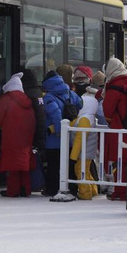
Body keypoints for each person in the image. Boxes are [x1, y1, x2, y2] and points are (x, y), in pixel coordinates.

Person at [103, 58, 127, 201]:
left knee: (118, 160)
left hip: (118, 127)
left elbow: (107, 109)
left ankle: (120, 190)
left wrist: (110, 121)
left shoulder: (114, 86)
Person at [41, 70, 83, 198]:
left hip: (54, 140)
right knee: (68, 165)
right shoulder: (70, 92)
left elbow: (55, 114)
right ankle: (72, 188)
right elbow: (80, 103)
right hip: (70, 136)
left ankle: (52, 189)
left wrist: (59, 131)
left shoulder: (49, 97)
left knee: (53, 165)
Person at [0, 73, 36, 197]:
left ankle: (13, 190)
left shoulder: (6, 99)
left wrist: (3, 126)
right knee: (24, 164)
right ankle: (25, 189)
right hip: (26, 137)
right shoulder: (27, 101)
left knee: (12, 165)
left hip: (11, 136)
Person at [69, 92, 101, 200]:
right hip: (85, 152)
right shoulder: (85, 118)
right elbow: (70, 124)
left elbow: (79, 139)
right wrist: (53, 128)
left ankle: (85, 193)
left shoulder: (84, 120)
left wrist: (73, 157)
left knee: (81, 171)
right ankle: (93, 190)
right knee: (85, 171)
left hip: (83, 153)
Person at [20, 69, 47, 192]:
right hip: (41, 129)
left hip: (31, 130)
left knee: (30, 158)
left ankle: (34, 182)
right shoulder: (38, 93)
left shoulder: (26, 94)